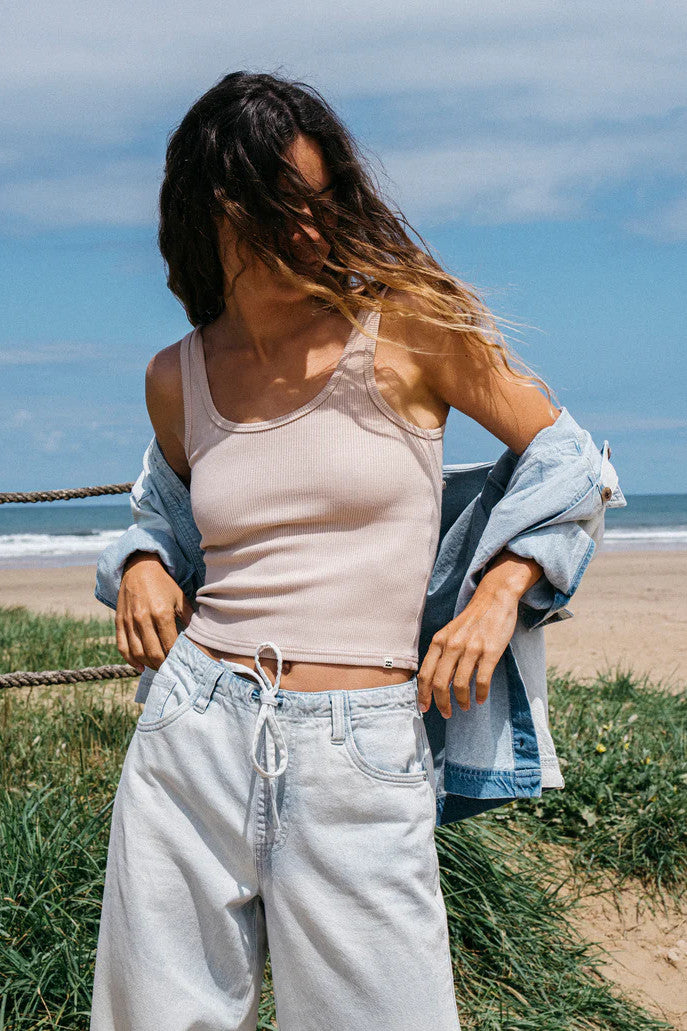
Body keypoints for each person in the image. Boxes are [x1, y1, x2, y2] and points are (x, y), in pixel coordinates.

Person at [90, 70, 569, 1031]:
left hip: (360, 740)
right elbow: (168, 525)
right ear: (213, 208)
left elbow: (567, 460)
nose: (308, 230)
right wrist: (140, 563)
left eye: (320, 202)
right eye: (279, 207)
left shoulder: (411, 327)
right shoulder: (175, 378)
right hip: (192, 730)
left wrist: (501, 589)